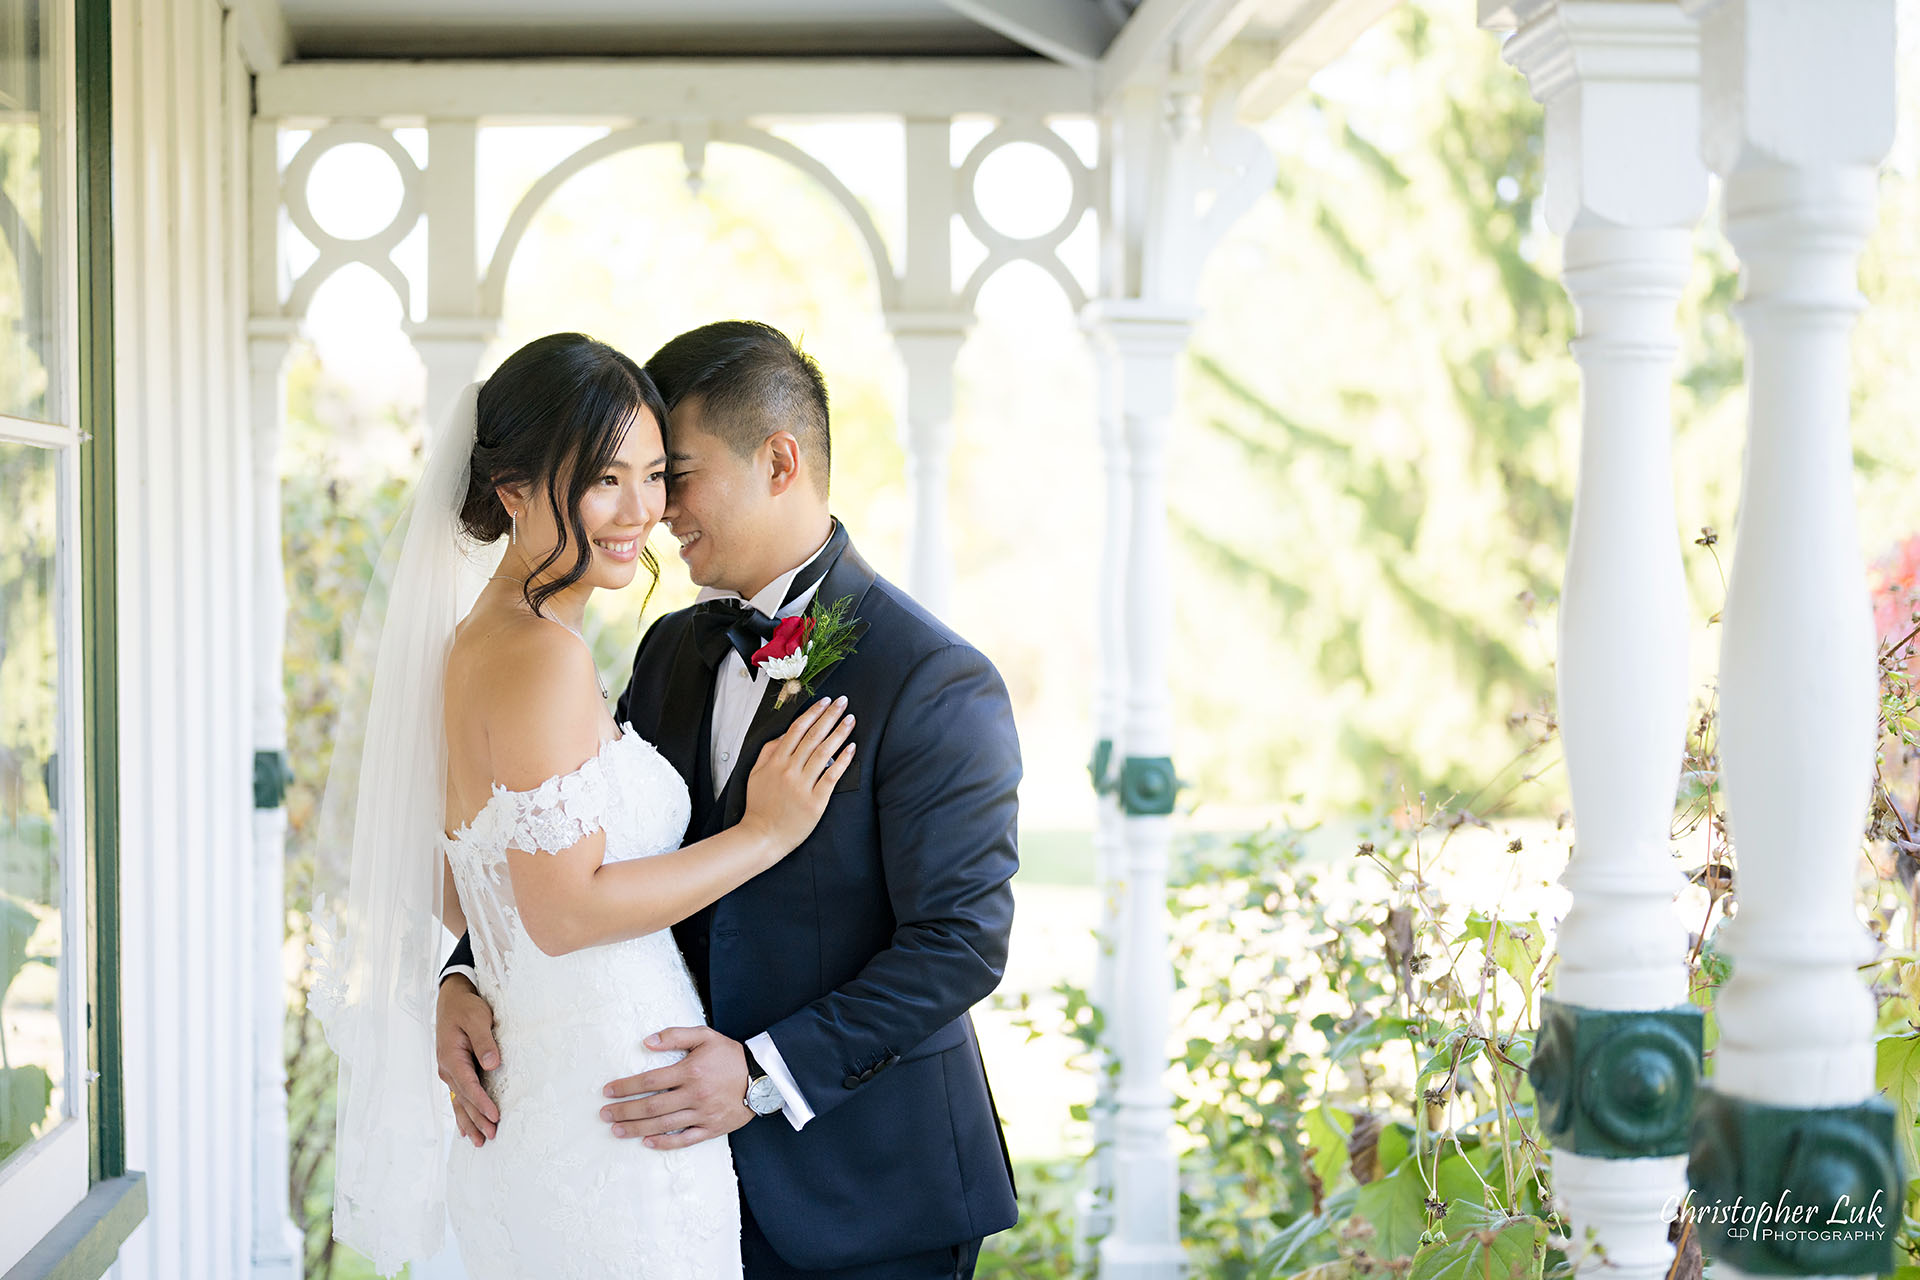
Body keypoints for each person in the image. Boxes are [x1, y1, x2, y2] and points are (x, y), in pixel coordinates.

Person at [438, 320, 1022, 1280]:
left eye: (676, 472)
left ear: (780, 461)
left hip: (861, 1190)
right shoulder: (672, 648)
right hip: (659, 1168)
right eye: (631, 475)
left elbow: (958, 943)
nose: (657, 507)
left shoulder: (934, 680)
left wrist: (759, 1075)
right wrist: (464, 975)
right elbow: (566, 838)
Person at [309, 332, 854, 1279]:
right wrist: (765, 835)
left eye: (655, 477)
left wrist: (469, 976)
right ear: (513, 489)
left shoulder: (483, 641)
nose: (642, 512)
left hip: (563, 1093)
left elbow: (463, 889)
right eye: (607, 479)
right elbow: (561, 912)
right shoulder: (542, 656)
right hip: (614, 1113)